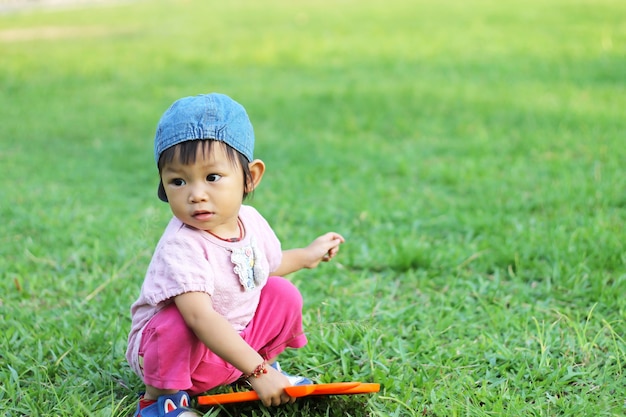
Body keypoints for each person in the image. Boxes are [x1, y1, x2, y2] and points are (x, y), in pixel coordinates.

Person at [126, 93, 345, 417]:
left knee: (281, 293)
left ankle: (259, 370)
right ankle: (161, 402)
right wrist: (258, 370)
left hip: (232, 347)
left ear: (250, 177)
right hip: (179, 358)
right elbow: (200, 318)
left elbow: (262, 267)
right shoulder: (182, 245)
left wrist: (306, 255)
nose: (196, 194)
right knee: (176, 322)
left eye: (212, 177)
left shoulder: (251, 221)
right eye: (178, 181)